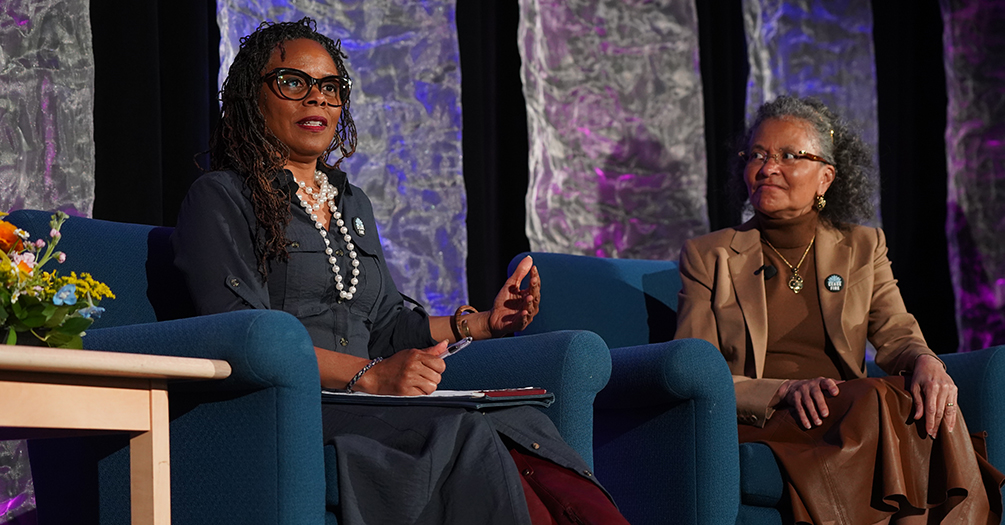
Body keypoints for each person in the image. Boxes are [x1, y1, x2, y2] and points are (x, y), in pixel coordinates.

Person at [171, 17, 629, 525]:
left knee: (522, 423)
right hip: (295, 403)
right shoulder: (221, 197)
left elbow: (387, 323)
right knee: (461, 431)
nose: (316, 99)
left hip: (373, 399)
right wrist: (369, 377)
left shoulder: (352, 203)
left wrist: (479, 323)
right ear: (250, 97)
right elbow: (245, 333)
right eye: (293, 82)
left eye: (330, 87)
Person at [675, 95, 1004, 524]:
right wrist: (783, 391)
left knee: (919, 396)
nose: (767, 167)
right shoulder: (709, 256)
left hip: (848, 414)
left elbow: (896, 332)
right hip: (767, 417)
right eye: (757, 154)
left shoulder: (864, 247)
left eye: (789, 155)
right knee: (883, 397)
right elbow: (692, 369)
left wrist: (927, 361)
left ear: (825, 178)